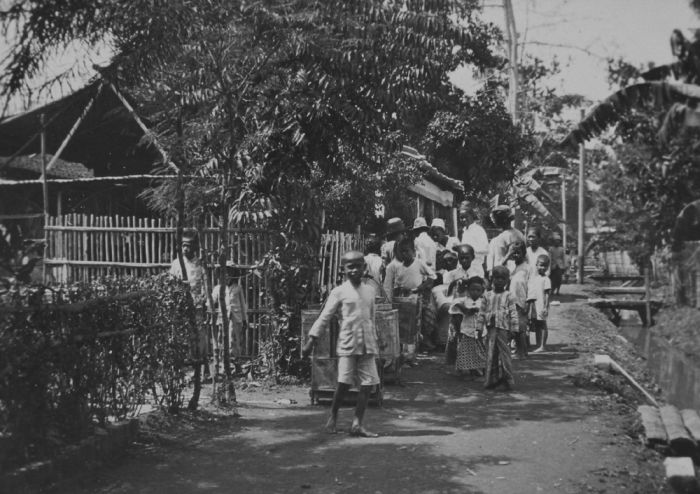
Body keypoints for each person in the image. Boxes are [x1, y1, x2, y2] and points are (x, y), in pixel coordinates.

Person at [302, 250, 381, 438]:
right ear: (342, 270)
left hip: (368, 344)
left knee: (368, 384)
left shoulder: (370, 290)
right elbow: (324, 317)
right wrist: (311, 341)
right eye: (350, 267)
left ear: (364, 267)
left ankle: (357, 424)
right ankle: (333, 417)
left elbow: (371, 317)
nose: (354, 270)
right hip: (348, 344)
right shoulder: (339, 292)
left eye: (358, 266)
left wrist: (376, 338)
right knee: (344, 383)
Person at [383, 238, 436, 351]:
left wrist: (421, 287)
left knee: (414, 325)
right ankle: (402, 351)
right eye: (402, 251)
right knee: (401, 325)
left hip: (414, 298)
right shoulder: (397, 266)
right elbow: (393, 284)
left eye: (407, 251)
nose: (404, 254)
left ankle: (411, 353)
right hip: (401, 299)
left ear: (413, 251)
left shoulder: (419, 263)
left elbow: (432, 276)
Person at [481, 265, 518, 390]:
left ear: (507, 280)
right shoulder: (487, 295)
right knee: (491, 353)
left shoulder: (509, 296)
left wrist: (514, 329)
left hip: (504, 329)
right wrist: (479, 327)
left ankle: (508, 380)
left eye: (503, 278)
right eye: (497, 278)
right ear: (492, 279)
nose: (499, 281)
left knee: (505, 355)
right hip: (491, 329)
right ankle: (491, 379)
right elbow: (481, 312)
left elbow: (513, 313)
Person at [449, 276, 487, 377]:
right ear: (468, 290)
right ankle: (471, 371)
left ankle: (482, 371)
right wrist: (465, 309)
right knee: (468, 352)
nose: (475, 292)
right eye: (472, 290)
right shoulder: (464, 300)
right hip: (467, 331)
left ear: (482, 291)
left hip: (481, 332)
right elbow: (454, 302)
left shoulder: (484, 301)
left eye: (478, 290)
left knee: (482, 352)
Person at [211, 264, 248, 361]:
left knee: (234, 340)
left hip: (236, 317)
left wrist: (244, 320)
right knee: (222, 339)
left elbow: (243, 305)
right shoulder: (217, 288)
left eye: (229, 272)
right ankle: (223, 361)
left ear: (233, 274)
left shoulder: (238, 288)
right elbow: (211, 302)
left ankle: (235, 361)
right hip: (222, 317)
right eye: (224, 273)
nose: (227, 275)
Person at [486, 205, 525, 280]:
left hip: (507, 275)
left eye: (495, 218)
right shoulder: (518, 234)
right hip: (509, 274)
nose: (493, 220)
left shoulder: (505, 237)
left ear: (502, 219)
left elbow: (500, 261)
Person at [507, 240, 530, 358]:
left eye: (518, 252)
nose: (515, 255)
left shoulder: (527, 268)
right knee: (512, 328)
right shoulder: (509, 266)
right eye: (513, 253)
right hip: (509, 302)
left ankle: (522, 352)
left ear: (523, 253)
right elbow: (497, 271)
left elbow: (531, 287)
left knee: (521, 328)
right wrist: (507, 255)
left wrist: (528, 304)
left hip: (522, 302)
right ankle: (517, 351)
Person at [169, 233, 206, 306]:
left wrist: (202, 298)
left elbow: (204, 284)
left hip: (196, 302)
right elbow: (171, 282)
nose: (185, 249)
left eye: (188, 246)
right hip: (180, 302)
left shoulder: (200, 264)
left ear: (194, 247)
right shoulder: (176, 263)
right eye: (183, 246)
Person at [527, 254, 552, 353]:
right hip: (534, 304)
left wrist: (545, 307)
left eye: (545, 266)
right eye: (541, 265)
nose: (542, 268)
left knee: (542, 324)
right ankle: (538, 344)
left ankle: (542, 345)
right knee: (536, 324)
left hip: (542, 304)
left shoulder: (546, 279)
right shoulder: (534, 277)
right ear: (536, 265)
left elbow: (547, 295)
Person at [459, 202, 489, 275]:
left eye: (466, 217)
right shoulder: (465, 232)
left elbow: (485, 250)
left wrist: (468, 250)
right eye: (461, 217)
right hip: (464, 269)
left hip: (476, 268)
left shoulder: (478, 230)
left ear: (472, 216)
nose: (463, 220)